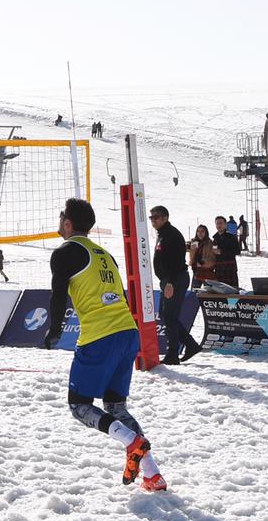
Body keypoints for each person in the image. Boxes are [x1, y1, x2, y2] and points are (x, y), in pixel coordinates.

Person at [47, 198, 166, 491]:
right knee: (115, 405)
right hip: (127, 332)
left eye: (61, 217)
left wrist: (53, 331)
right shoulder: (104, 253)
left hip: (100, 335)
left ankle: (131, 442)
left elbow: (58, 295)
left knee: (78, 406)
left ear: (67, 223)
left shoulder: (64, 252)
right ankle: (152, 474)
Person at [149, 206, 199, 364]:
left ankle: (172, 353)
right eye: (151, 217)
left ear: (164, 218)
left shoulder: (172, 234)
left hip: (175, 279)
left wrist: (170, 282)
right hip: (168, 279)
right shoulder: (163, 234)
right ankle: (190, 344)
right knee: (165, 315)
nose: (153, 220)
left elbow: (176, 261)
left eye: (156, 217)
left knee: (170, 316)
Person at [211, 216, 240, 286]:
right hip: (219, 270)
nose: (219, 225)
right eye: (217, 223)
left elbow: (237, 251)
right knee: (219, 294)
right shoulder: (215, 238)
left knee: (233, 293)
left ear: (225, 225)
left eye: (221, 223)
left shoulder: (232, 237)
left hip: (230, 269)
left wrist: (222, 252)